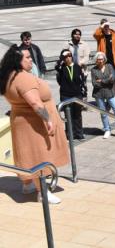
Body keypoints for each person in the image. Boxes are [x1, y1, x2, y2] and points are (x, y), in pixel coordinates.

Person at [0, 45, 69, 204]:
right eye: (28, 58)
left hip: (21, 120)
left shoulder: (9, 76)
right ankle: (43, 193)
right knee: (39, 156)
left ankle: (27, 184)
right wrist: (48, 119)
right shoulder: (24, 78)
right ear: (18, 61)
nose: (32, 60)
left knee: (26, 153)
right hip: (33, 123)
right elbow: (36, 103)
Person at [90, 52, 115, 139]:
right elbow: (95, 84)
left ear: (104, 59)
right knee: (104, 113)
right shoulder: (94, 70)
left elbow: (112, 80)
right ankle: (107, 130)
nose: (100, 61)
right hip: (99, 94)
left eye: (102, 59)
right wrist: (106, 80)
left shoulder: (109, 66)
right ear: (96, 60)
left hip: (110, 93)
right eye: (98, 59)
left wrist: (101, 81)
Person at [55, 49, 86, 140]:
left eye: (69, 56)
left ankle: (79, 134)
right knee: (68, 115)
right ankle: (69, 134)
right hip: (66, 95)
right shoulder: (61, 68)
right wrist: (61, 59)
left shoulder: (77, 67)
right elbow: (57, 67)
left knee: (77, 115)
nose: (68, 58)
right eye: (65, 57)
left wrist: (84, 94)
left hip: (77, 94)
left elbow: (82, 81)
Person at [93, 20, 115, 102]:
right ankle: (108, 100)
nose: (106, 27)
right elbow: (95, 34)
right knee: (105, 82)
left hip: (114, 63)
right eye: (104, 26)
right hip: (103, 63)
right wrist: (101, 27)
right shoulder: (100, 36)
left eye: (107, 26)